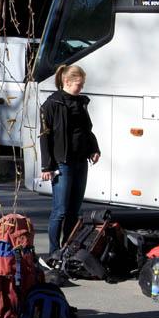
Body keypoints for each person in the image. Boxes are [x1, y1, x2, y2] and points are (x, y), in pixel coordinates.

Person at [39, 64, 100, 256]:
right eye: (78, 84)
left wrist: (94, 148)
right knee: (61, 210)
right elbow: (45, 136)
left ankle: (68, 248)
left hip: (81, 160)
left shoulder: (81, 103)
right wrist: (47, 166)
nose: (81, 88)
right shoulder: (52, 104)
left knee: (75, 210)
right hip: (62, 163)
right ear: (67, 82)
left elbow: (86, 130)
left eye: (82, 84)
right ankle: (53, 251)